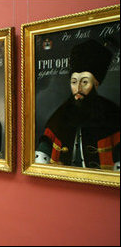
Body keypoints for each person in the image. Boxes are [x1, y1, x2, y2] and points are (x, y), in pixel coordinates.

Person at [35, 39, 120, 171]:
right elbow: (44, 148)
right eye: (74, 82)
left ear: (96, 83)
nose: (78, 88)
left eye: (85, 82)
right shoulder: (61, 114)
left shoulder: (113, 114)